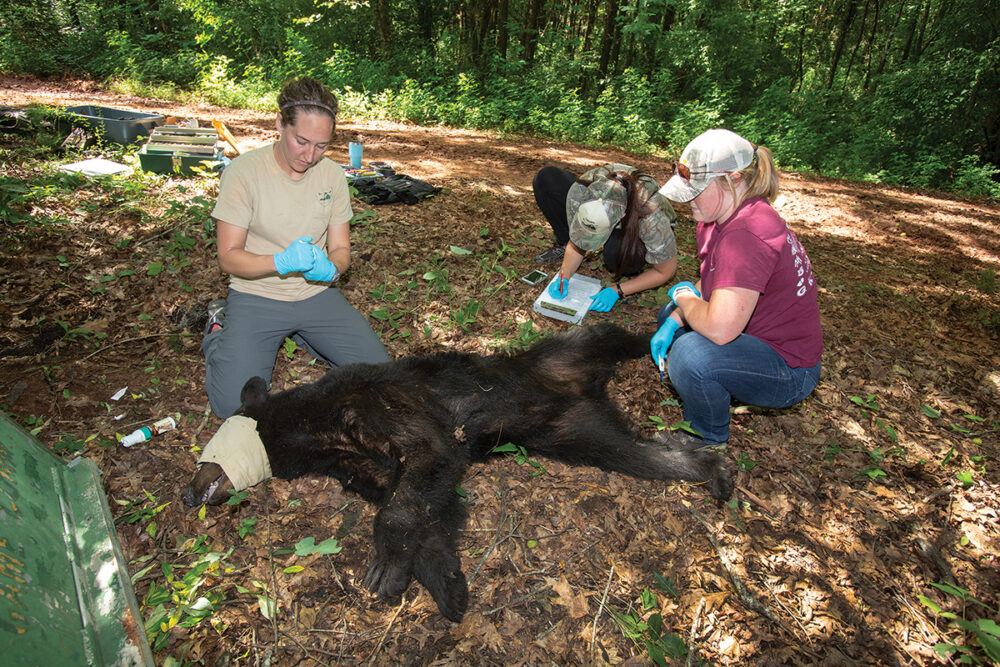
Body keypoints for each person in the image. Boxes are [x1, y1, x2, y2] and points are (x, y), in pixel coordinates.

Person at [202, 76, 390, 418]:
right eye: (301, 141)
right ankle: (217, 329)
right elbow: (229, 258)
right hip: (257, 296)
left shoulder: (332, 175)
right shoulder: (244, 173)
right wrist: (281, 262)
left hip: (316, 295)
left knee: (383, 380)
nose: (310, 155)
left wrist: (333, 268)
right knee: (234, 406)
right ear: (279, 124)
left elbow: (341, 249)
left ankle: (307, 333)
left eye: (321, 145)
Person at [651, 129, 822, 447]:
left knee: (691, 356)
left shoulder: (748, 233)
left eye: (697, 189)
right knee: (670, 318)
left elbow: (719, 329)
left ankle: (707, 436)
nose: (687, 199)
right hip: (753, 338)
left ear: (733, 179)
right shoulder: (715, 217)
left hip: (789, 370)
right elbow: (717, 278)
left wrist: (684, 296)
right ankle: (716, 390)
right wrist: (676, 316)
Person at [532, 164, 678, 312]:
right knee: (547, 177)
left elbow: (665, 271)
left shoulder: (651, 218)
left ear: (620, 218)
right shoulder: (580, 192)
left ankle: (631, 271)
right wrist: (564, 275)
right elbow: (577, 242)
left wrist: (617, 290)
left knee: (615, 254)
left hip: (639, 221)